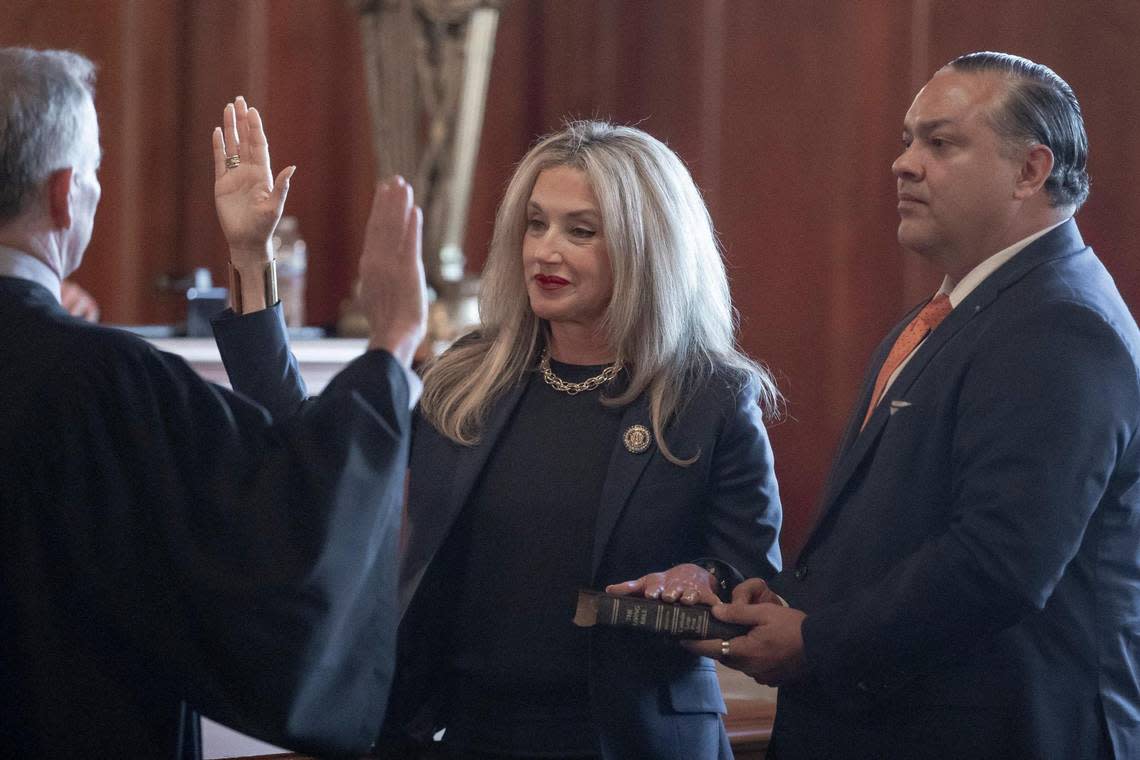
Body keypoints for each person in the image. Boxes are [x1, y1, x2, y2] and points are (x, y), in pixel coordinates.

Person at [213, 119, 784, 758]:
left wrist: (701, 578)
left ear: (648, 245)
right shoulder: (470, 375)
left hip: (634, 739)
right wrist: (248, 258)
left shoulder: (710, 396)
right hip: (471, 733)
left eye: (581, 231)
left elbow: (750, 579)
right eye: (535, 224)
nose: (545, 250)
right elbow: (313, 456)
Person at [626, 52, 1140, 759]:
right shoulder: (950, 314)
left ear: (1030, 171)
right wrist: (779, 603)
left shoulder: (1063, 324)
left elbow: (997, 563)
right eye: (907, 140)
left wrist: (814, 640)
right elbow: (890, 534)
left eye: (941, 142)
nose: (904, 163)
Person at [0, 47, 426, 758]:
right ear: (64, 192)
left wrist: (253, 265)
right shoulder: (107, 383)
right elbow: (289, 532)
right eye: (97, 171)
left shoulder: (105, 379)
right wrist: (392, 344)